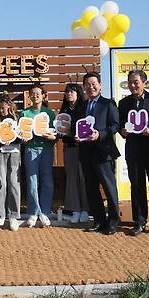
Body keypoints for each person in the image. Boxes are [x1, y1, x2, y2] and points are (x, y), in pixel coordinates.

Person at [118, 70, 149, 237]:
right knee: (137, 186)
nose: (133, 86)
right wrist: (122, 131)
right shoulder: (124, 103)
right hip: (134, 149)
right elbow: (119, 124)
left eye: (136, 82)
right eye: (130, 82)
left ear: (144, 83)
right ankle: (139, 221)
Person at [76, 72, 121, 235]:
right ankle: (98, 220)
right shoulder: (81, 106)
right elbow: (77, 126)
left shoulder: (108, 103)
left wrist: (100, 134)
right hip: (86, 152)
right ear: (84, 87)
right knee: (91, 188)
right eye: (87, 84)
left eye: (94, 83)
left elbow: (115, 125)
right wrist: (77, 136)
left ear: (100, 85)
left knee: (109, 187)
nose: (91, 87)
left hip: (103, 152)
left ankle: (114, 221)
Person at [21, 85, 56, 228]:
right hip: (30, 149)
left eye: (38, 94)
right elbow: (21, 132)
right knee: (32, 181)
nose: (35, 96)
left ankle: (45, 212)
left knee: (47, 180)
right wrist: (22, 136)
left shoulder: (50, 113)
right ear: (29, 97)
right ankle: (34, 212)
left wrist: (53, 136)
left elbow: (56, 132)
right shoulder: (24, 113)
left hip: (46, 149)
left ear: (43, 96)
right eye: (32, 94)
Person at [0, 93, 22, 231]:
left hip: (14, 152)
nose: (2, 110)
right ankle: (0, 214)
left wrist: (13, 138)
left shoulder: (16, 118)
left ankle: (13, 215)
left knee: (14, 183)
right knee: (1, 183)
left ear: (9, 105)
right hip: (0, 153)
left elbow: (21, 135)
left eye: (4, 107)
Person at [59, 83, 89, 224]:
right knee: (71, 178)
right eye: (67, 92)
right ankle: (74, 209)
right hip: (69, 147)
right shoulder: (64, 111)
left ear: (78, 93)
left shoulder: (84, 108)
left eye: (72, 91)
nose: (69, 94)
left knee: (84, 178)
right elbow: (60, 130)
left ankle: (86, 209)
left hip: (83, 147)